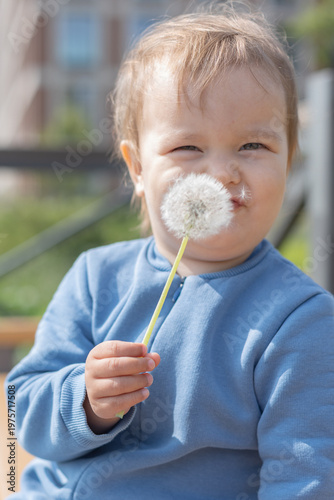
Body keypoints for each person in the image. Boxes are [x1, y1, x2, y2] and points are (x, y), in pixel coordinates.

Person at [6, 2, 334, 499]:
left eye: (253, 147)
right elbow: (21, 416)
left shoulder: (301, 320)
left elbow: (305, 475)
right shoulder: (95, 278)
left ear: (289, 159)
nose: (223, 172)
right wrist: (86, 402)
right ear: (137, 168)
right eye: (188, 148)